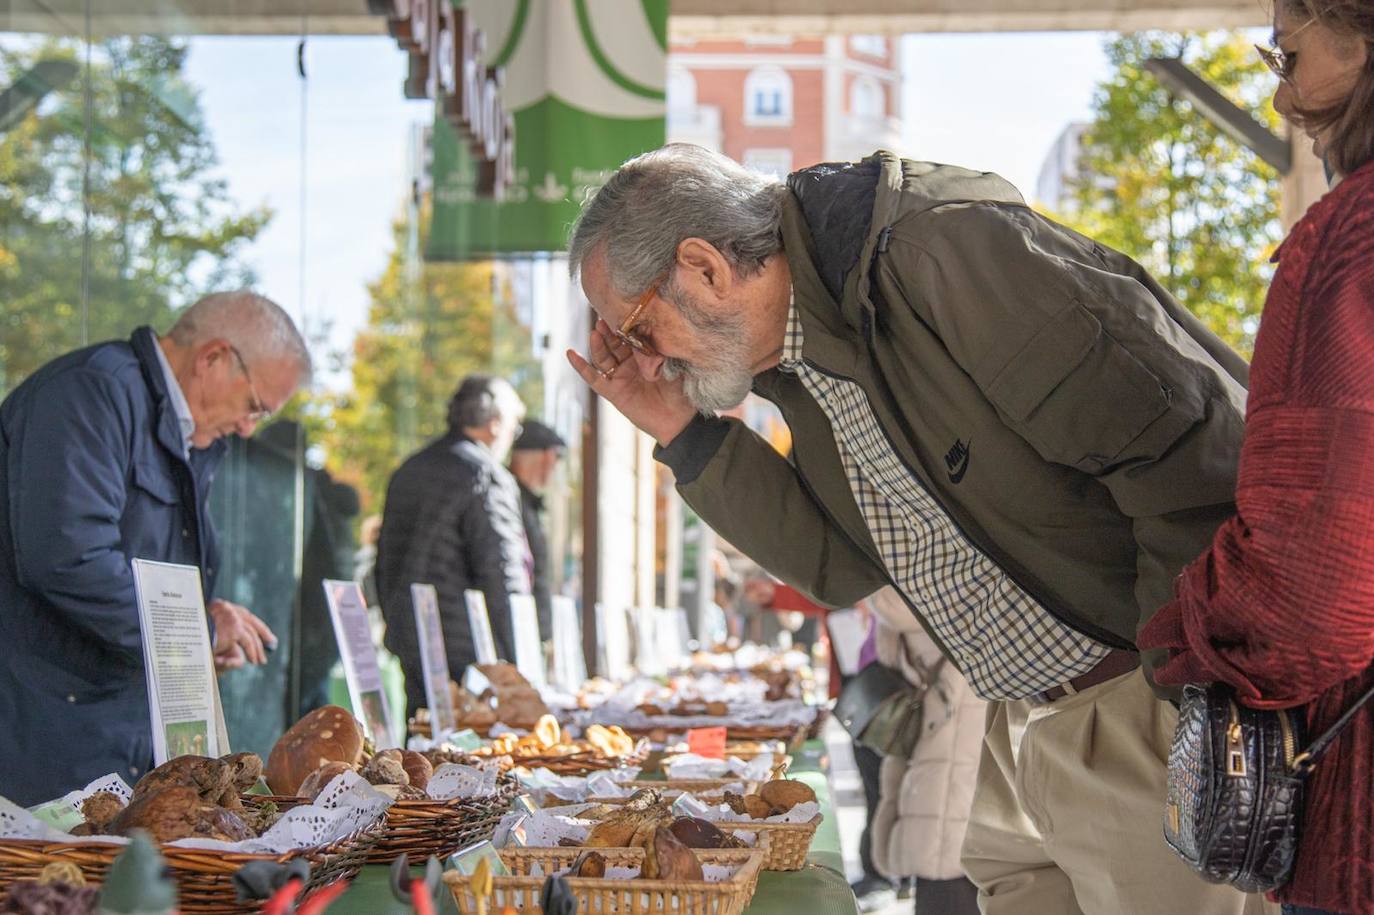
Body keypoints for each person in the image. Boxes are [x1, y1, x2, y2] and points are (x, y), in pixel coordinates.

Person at [566, 143, 1272, 914]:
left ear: (704, 267)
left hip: (1130, 709)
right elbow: (842, 566)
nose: (648, 361)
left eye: (638, 329)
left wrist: (1178, 694)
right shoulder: (799, 359)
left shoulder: (938, 251)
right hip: (1014, 724)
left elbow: (1189, 452)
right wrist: (678, 427)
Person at [1138, 5, 1374, 915]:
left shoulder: (1349, 241)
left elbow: (1314, 586)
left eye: (1291, 51)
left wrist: (1183, 629)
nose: (1282, 96)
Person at [0, 291, 310, 805]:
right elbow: (69, 560)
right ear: (212, 358)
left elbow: (144, 570)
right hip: (47, 736)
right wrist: (199, 634)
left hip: (110, 730)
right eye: (255, 406)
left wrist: (203, 622)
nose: (250, 427)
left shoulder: (184, 434)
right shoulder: (91, 393)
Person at [376, 375, 531, 718]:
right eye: (514, 426)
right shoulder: (487, 474)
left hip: (412, 640)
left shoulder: (409, 469)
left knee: (419, 747)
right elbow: (503, 573)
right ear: (494, 424)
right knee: (476, 760)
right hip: (471, 655)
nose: (512, 437)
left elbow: (384, 562)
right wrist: (520, 664)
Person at [865, 588, 986, 915]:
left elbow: (886, 652)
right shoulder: (967, 594)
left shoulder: (898, 600)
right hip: (970, 770)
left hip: (931, 764)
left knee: (938, 877)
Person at [507, 419, 567, 642]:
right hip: (518, 635)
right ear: (547, 457)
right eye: (556, 459)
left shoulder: (521, 501)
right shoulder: (509, 500)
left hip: (525, 633)